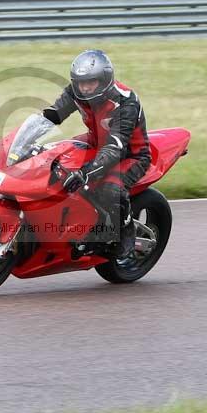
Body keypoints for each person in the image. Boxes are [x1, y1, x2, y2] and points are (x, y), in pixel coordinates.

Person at [41, 49, 151, 258]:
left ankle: (124, 232)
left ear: (104, 80)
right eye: (80, 82)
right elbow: (54, 113)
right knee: (51, 158)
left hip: (130, 154)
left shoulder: (125, 102)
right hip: (95, 143)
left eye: (91, 82)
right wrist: (36, 126)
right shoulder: (76, 92)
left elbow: (115, 147)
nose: (85, 87)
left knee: (109, 189)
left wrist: (86, 172)